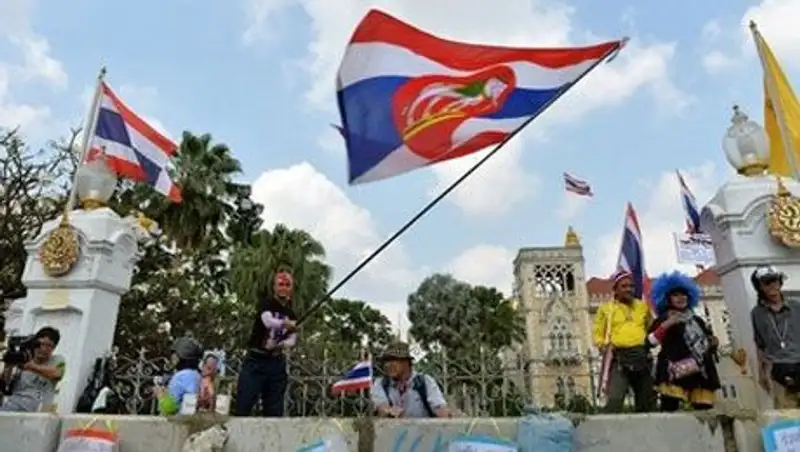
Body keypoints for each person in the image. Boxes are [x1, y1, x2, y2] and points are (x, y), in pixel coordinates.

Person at [647, 271, 720, 411]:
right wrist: (667, 324)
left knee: (705, 412)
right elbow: (650, 342)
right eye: (676, 295)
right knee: (670, 411)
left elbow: (708, 344)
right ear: (668, 299)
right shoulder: (663, 319)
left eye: (684, 294)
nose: (681, 298)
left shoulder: (697, 320)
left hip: (700, 373)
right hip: (674, 371)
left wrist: (713, 343)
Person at [234, 270, 298, 417]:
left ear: (291, 289)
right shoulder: (267, 304)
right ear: (275, 287)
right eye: (280, 284)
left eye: (287, 285)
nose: (283, 287)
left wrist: (280, 345)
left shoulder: (291, 313)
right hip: (256, 360)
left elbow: (292, 340)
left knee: (274, 410)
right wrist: (285, 324)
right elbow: (268, 321)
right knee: (244, 404)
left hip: (276, 362)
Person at [592, 270, 656, 413]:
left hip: (642, 357)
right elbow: (598, 331)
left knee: (647, 401)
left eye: (631, 286)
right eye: (624, 286)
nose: (629, 289)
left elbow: (651, 328)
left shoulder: (642, 307)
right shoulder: (606, 308)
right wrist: (601, 345)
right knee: (614, 400)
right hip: (618, 358)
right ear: (616, 289)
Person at [750, 265, 800, 408]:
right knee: (787, 417)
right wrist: (762, 373)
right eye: (766, 282)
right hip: (778, 369)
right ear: (759, 287)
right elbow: (760, 345)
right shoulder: (757, 313)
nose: (772, 285)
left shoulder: (797, 306)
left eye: (775, 281)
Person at [371, 341, 452, 418]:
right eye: (386, 361)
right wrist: (387, 410)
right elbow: (380, 406)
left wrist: (444, 414)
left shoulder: (424, 382)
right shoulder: (381, 383)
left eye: (393, 360)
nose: (388, 365)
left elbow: (439, 407)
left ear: (406, 362)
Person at [0, 326, 65, 412]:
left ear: (54, 347)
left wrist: (30, 366)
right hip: (13, 408)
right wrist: (8, 366)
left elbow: (57, 373)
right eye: (40, 344)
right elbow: (6, 384)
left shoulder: (58, 360)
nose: (43, 349)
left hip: (38, 413)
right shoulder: (22, 358)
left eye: (49, 345)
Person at [157, 335, 205, 415]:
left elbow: (168, 408)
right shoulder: (197, 375)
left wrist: (160, 394)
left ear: (181, 356)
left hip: (179, 422)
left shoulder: (179, 377)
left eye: (174, 354)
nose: (172, 357)